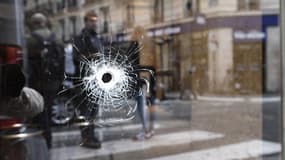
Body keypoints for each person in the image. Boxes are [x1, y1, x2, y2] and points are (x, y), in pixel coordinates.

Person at [26, 12, 65, 148]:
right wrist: (60, 80)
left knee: (40, 112)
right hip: (53, 82)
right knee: (47, 111)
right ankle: (46, 139)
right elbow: (63, 60)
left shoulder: (30, 39)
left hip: (38, 82)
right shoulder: (57, 38)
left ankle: (45, 141)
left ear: (34, 23)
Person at [72, 11, 103, 149]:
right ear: (86, 22)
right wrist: (92, 59)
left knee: (94, 110)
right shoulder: (79, 38)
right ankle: (86, 137)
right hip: (85, 79)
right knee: (86, 110)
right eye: (92, 20)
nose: (94, 23)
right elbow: (76, 58)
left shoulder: (97, 38)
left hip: (97, 80)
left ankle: (92, 134)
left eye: (96, 20)